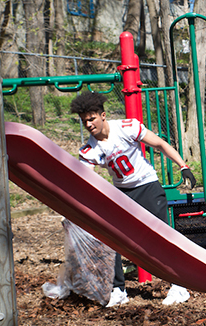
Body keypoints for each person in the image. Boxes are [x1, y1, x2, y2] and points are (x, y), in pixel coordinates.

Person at [70, 92, 197, 308]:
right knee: (112, 238)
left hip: (147, 186)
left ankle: (179, 286)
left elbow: (159, 144)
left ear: (103, 115)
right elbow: (85, 178)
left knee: (161, 236)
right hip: (122, 193)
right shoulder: (89, 149)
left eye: (92, 119)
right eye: (85, 121)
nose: (89, 124)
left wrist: (183, 166)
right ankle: (118, 290)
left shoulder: (126, 128)